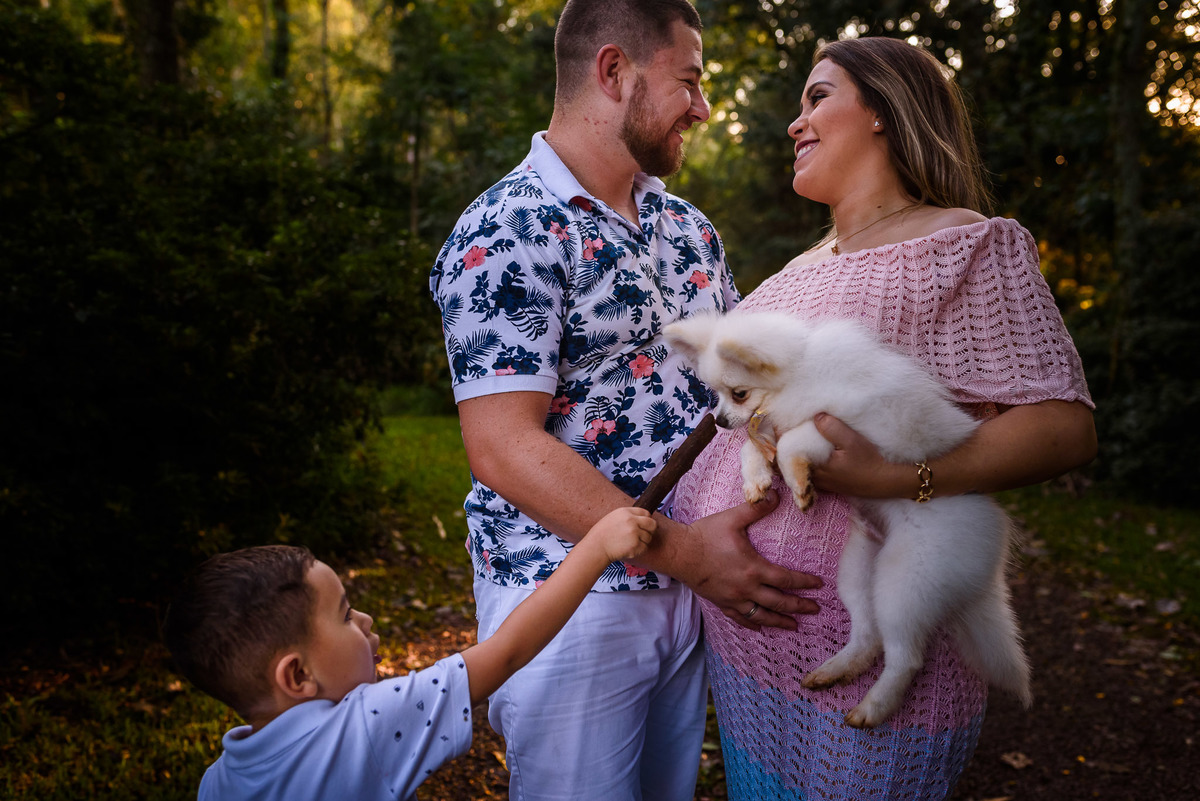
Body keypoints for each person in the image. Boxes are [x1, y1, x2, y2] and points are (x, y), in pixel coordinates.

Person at [671, 37, 1097, 800]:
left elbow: (1064, 427)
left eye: (818, 97)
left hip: (884, 670)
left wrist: (900, 477)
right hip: (749, 664)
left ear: (883, 110)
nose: (795, 122)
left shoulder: (967, 243)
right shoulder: (787, 278)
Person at [428, 1, 823, 798]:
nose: (702, 108)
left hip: (689, 594)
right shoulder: (507, 228)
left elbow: (745, 386)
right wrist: (687, 553)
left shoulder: (689, 228)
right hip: (568, 602)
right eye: (690, 82)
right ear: (614, 71)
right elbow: (504, 446)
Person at [161, 507, 656, 801]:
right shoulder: (364, 725)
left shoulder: (218, 782)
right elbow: (506, 652)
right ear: (297, 676)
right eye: (345, 615)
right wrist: (596, 548)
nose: (365, 620)